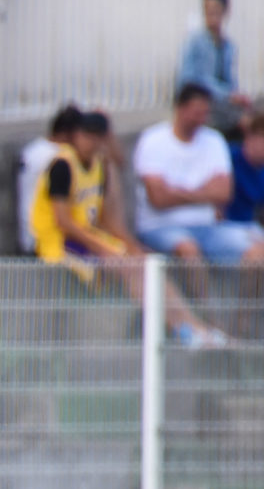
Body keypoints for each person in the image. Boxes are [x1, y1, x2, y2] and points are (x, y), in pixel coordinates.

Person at [30, 109, 226, 347]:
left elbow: (106, 220)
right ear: (77, 136)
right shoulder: (62, 165)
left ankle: (194, 327)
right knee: (131, 268)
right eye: (86, 135)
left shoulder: (99, 165)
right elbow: (63, 222)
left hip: (86, 238)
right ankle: (181, 329)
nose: (90, 142)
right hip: (59, 242)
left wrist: (132, 247)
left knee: (148, 264)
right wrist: (104, 249)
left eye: (96, 137)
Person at [134, 85, 263, 275]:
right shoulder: (153, 139)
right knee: (189, 250)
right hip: (161, 227)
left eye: (205, 113)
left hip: (209, 227)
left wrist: (175, 191)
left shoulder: (214, 140)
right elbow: (158, 199)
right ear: (180, 108)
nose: (201, 119)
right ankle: (203, 297)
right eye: (196, 113)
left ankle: (247, 297)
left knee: (258, 252)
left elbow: (223, 194)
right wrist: (204, 192)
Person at [179, 0, 245, 127]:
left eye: (216, 10)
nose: (211, 15)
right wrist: (227, 95)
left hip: (223, 105)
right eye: (208, 11)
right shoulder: (195, 40)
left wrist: (237, 96)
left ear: (225, 12)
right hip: (201, 102)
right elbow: (190, 79)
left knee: (252, 120)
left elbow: (231, 81)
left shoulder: (229, 46)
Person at [229, 111, 264, 226]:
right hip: (219, 225)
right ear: (251, 137)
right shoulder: (227, 157)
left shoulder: (261, 171)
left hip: (249, 227)